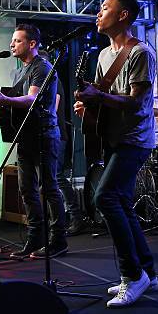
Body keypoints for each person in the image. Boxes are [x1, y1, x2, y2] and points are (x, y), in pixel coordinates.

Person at [74, 0, 157, 307]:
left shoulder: (140, 53)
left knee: (105, 197)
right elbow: (100, 98)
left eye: (105, 8)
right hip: (112, 137)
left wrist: (98, 99)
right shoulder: (102, 56)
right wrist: (88, 107)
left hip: (134, 139)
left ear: (123, 15)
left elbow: (136, 104)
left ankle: (132, 277)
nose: (98, 13)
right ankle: (148, 272)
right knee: (120, 200)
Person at [0, 24, 67, 259]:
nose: (12, 44)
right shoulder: (18, 71)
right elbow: (17, 104)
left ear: (32, 44)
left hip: (44, 135)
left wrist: (5, 100)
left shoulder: (42, 67)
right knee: (26, 189)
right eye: (12, 40)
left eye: (17, 40)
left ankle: (58, 240)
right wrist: (0, 104)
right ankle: (35, 238)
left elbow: (31, 99)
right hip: (25, 135)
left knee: (49, 188)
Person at [56, 78, 86, 236]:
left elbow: (53, 108)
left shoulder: (51, 79)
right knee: (48, 181)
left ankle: (76, 217)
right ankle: (58, 219)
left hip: (57, 135)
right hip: (49, 136)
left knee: (57, 176)